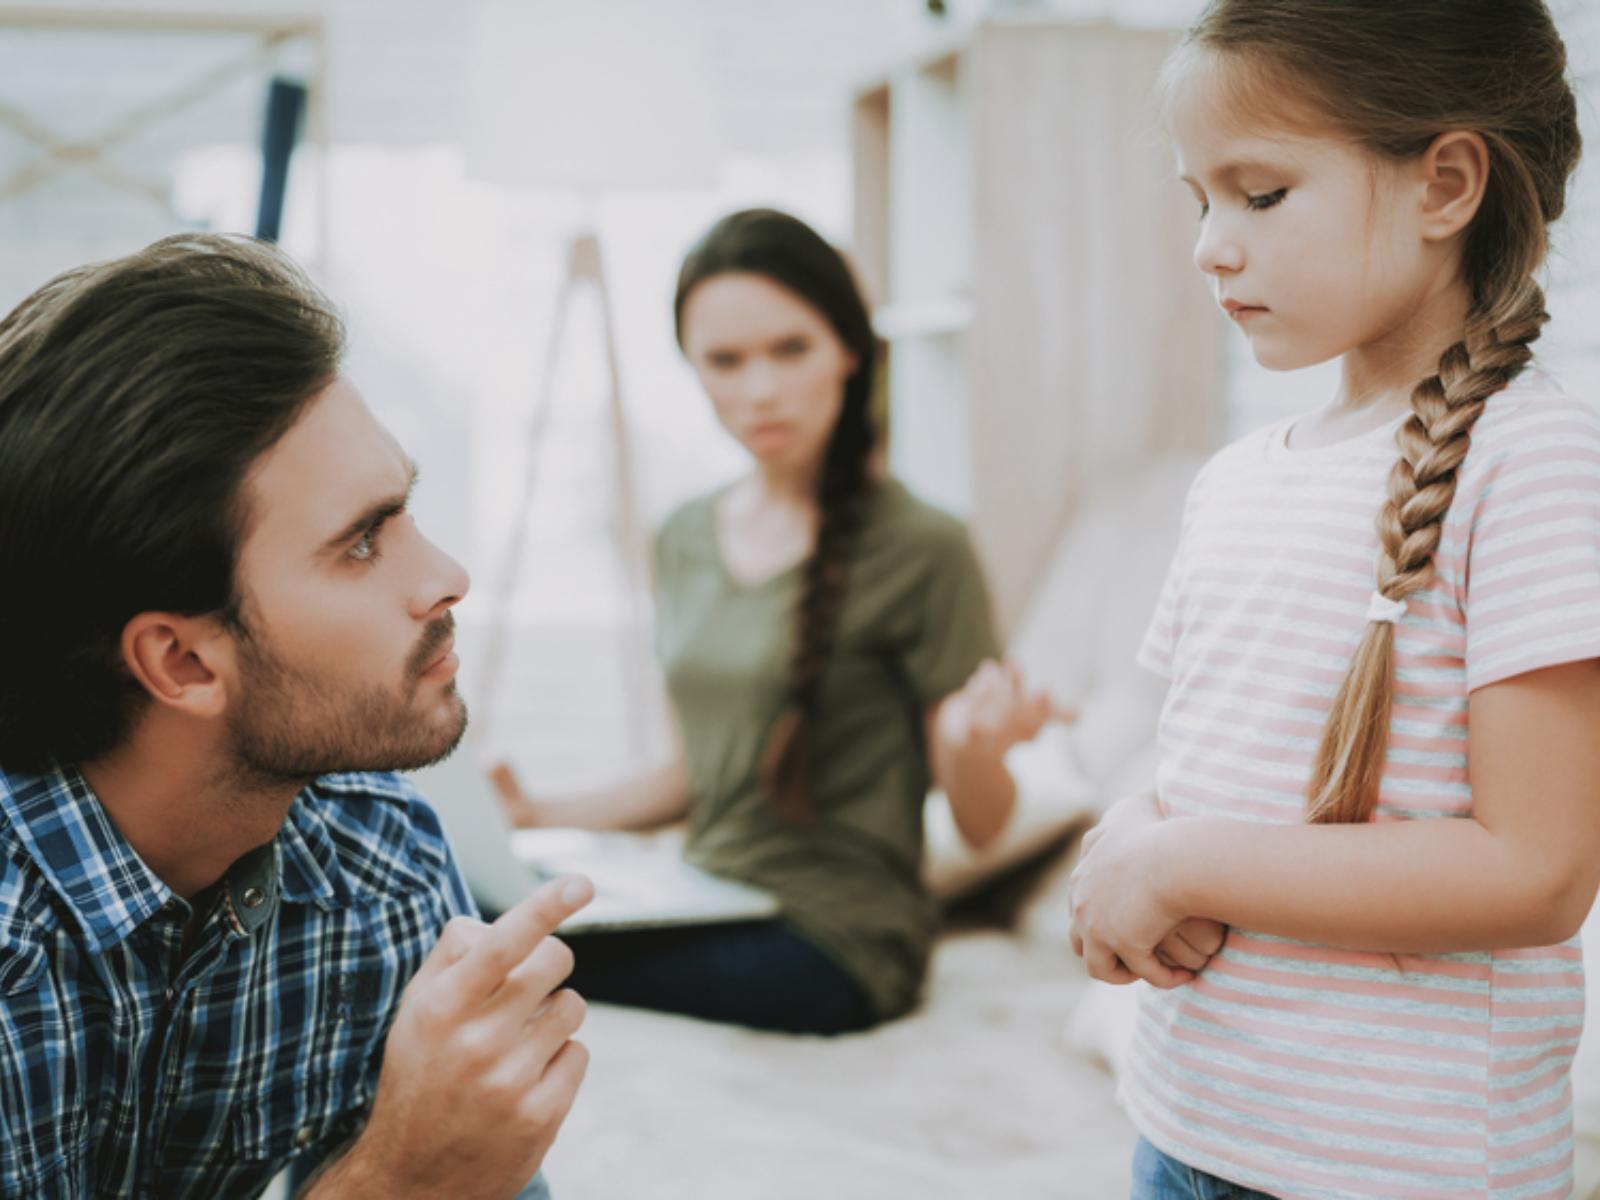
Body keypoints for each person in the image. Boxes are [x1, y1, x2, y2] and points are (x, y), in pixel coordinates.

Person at [1066, 3, 1600, 1198]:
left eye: (1259, 195)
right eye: (1197, 199)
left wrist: (1186, 859)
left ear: (1444, 184)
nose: (1211, 243)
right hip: (1187, 1122)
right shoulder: (1234, 481)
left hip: (1395, 1170)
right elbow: (1203, 764)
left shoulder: (1533, 464)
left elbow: (1538, 872)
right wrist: (1128, 840)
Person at [0, 234, 590, 1199]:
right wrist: (396, 1178)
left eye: (403, 514)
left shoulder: (381, 861)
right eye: (361, 543)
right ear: (183, 661)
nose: (447, 576)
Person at [492, 207, 1065, 1034]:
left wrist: (977, 747)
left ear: (848, 350)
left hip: (840, 941)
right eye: (725, 360)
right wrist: (536, 814)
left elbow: (981, 825)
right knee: (467, 906)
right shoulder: (684, 536)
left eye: (790, 349)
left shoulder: (924, 546)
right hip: (703, 897)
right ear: (693, 370)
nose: (759, 389)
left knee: (500, 951)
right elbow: (694, 778)